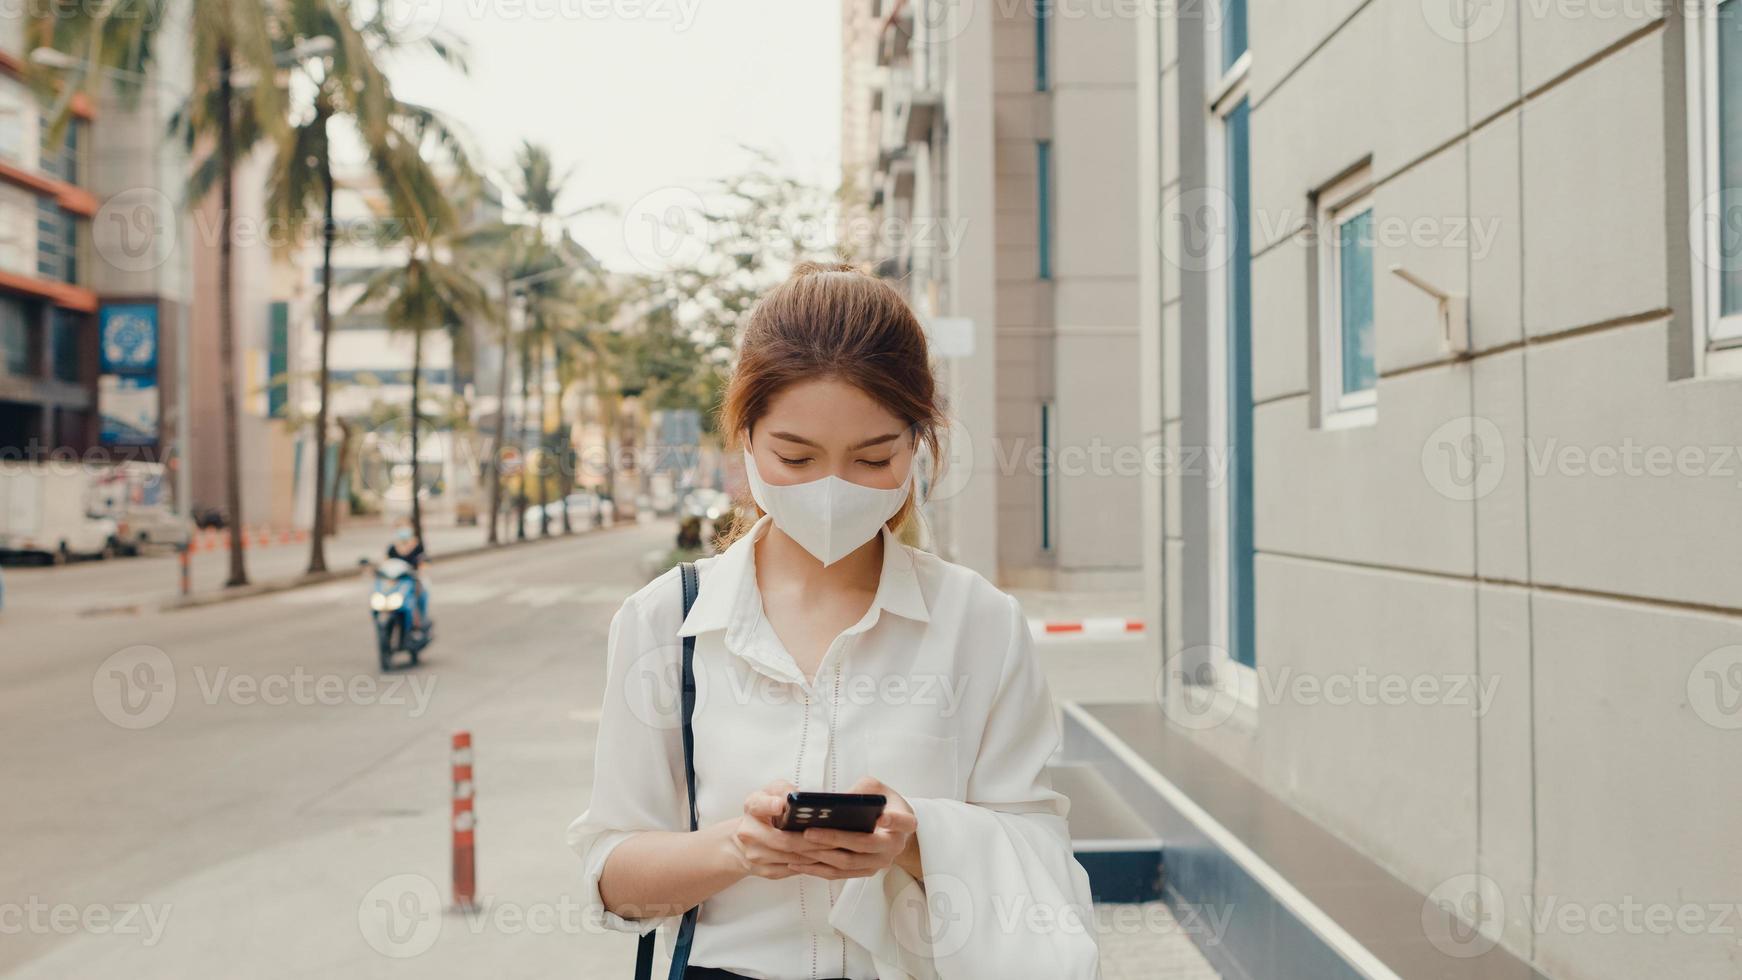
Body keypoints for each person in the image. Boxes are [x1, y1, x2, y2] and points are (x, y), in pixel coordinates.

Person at [567, 262, 1100, 979]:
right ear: (747, 437)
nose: (831, 489)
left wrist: (913, 840)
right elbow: (613, 877)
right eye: (796, 456)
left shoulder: (979, 623)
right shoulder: (664, 621)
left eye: (872, 457)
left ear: (916, 445)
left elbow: (1039, 855)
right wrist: (738, 848)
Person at [385, 519, 431, 635]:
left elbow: (423, 562)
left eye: (405, 527)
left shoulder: (417, 546)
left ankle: (419, 623)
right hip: (397, 582)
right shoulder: (392, 547)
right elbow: (386, 564)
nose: (403, 530)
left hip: (413, 580)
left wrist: (420, 570)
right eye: (400, 527)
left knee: (419, 596)